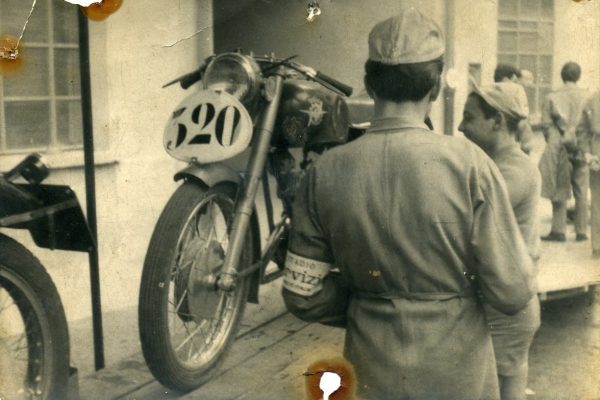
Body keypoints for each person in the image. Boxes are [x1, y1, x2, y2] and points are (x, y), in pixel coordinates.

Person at [281, 8, 536, 400]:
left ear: (368, 82)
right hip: (459, 375)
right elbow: (514, 291)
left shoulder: (324, 172)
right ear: (435, 88)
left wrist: (368, 303)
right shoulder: (470, 166)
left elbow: (302, 292)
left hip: (371, 371)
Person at [459, 83, 541, 400]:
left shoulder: (515, 170)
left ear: (498, 122)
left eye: (469, 117)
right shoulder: (496, 165)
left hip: (505, 305)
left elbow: (467, 215)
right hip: (506, 300)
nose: (460, 126)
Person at [538, 62, 589, 242]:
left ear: (562, 76)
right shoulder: (588, 96)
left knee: (559, 185)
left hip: (559, 145)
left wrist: (555, 140)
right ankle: (581, 231)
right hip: (582, 146)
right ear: (578, 76)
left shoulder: (552, 97)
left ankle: (558, 230)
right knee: (581, 188)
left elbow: (545, 124)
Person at [576, 90, 600, 257]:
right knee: (598, 204)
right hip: (597, 155)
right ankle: (598, 246)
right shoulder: (593, 99)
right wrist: (588, 154)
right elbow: (582, 130)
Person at [494, 64, 534, 154]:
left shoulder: (488, 94)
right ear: (506, 80)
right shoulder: (514, 95)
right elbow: (523, 122)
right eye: (515, 81)